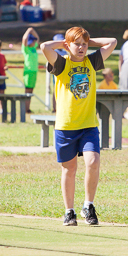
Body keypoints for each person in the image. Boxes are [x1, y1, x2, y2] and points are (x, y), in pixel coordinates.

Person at [39, 27, 117, 226]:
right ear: (68, 45)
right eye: (77, 44)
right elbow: (44, 47)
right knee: (69, 169)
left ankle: (88, 206)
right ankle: (69, 211)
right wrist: (63, 44)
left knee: (92, 162)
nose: (81, 48)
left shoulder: (92, 61)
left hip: (88, 125)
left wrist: (89, 41)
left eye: (84, 44)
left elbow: (113, 42)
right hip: (66, 126)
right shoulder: (60, 64)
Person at [21, 27, 40, 114]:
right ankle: (25, 108)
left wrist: (33, 31)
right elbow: (24, 39)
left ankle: (28, 108)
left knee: (31, 90)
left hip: (34, 71)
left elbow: (38, 38)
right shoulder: (26, 49)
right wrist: (28, 31)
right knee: (27, 90)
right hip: (28, 71)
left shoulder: (34, 48)